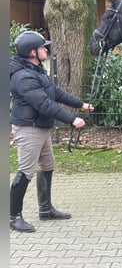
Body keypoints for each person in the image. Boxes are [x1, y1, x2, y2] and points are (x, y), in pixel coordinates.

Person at [10, 31, 94, 232]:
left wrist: (81, 104)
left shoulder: (36, 69)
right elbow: (45, 105)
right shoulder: (23, 77)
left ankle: (45, 210)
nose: (46, 50)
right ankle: (13, 217)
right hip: (29, 128)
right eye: (42, 47)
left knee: (47, 165)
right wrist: (72, 119)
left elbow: (55, 92)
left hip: (40, 126)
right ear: (32, 52)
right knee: (25, 171)